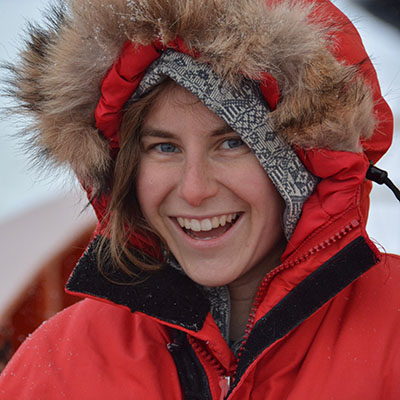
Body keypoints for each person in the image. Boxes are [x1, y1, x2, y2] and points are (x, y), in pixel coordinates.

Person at [0, 0, 399, 398]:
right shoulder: (58, 367)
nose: (193, 189)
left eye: (231, 143)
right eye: (163, 147)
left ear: (304, 161)